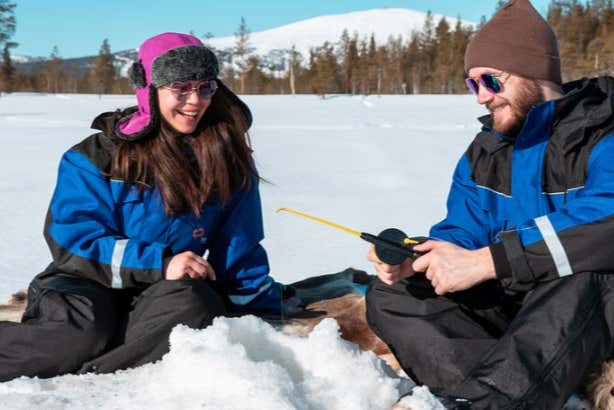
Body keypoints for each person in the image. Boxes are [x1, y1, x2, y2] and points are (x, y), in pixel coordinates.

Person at [0, 32, 294, 381]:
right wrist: (160, 262)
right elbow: (73, 240)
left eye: (205, 87)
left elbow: (239, 248)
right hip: (86, 281)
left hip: (163, 293)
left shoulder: (226, 158)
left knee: (197, 305)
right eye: (180, 89)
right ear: (149, 90)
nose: (195, 101)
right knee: (79, 332)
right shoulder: (97, 156)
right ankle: (86, 356)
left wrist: (265, 307)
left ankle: (92, 376)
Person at [365, 1, 614, 409]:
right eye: (471, 84)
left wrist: (490, 262)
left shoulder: (602, 132)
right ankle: (501, 390)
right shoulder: (486, 152)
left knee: (581, 274)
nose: (480, 97)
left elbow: (605, 220)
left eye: (491, 81)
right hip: (525, 312)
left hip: (596, 309)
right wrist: (423, 257)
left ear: (534, 71)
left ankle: (500, 397)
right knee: (393, 293)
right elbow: (463, 231)